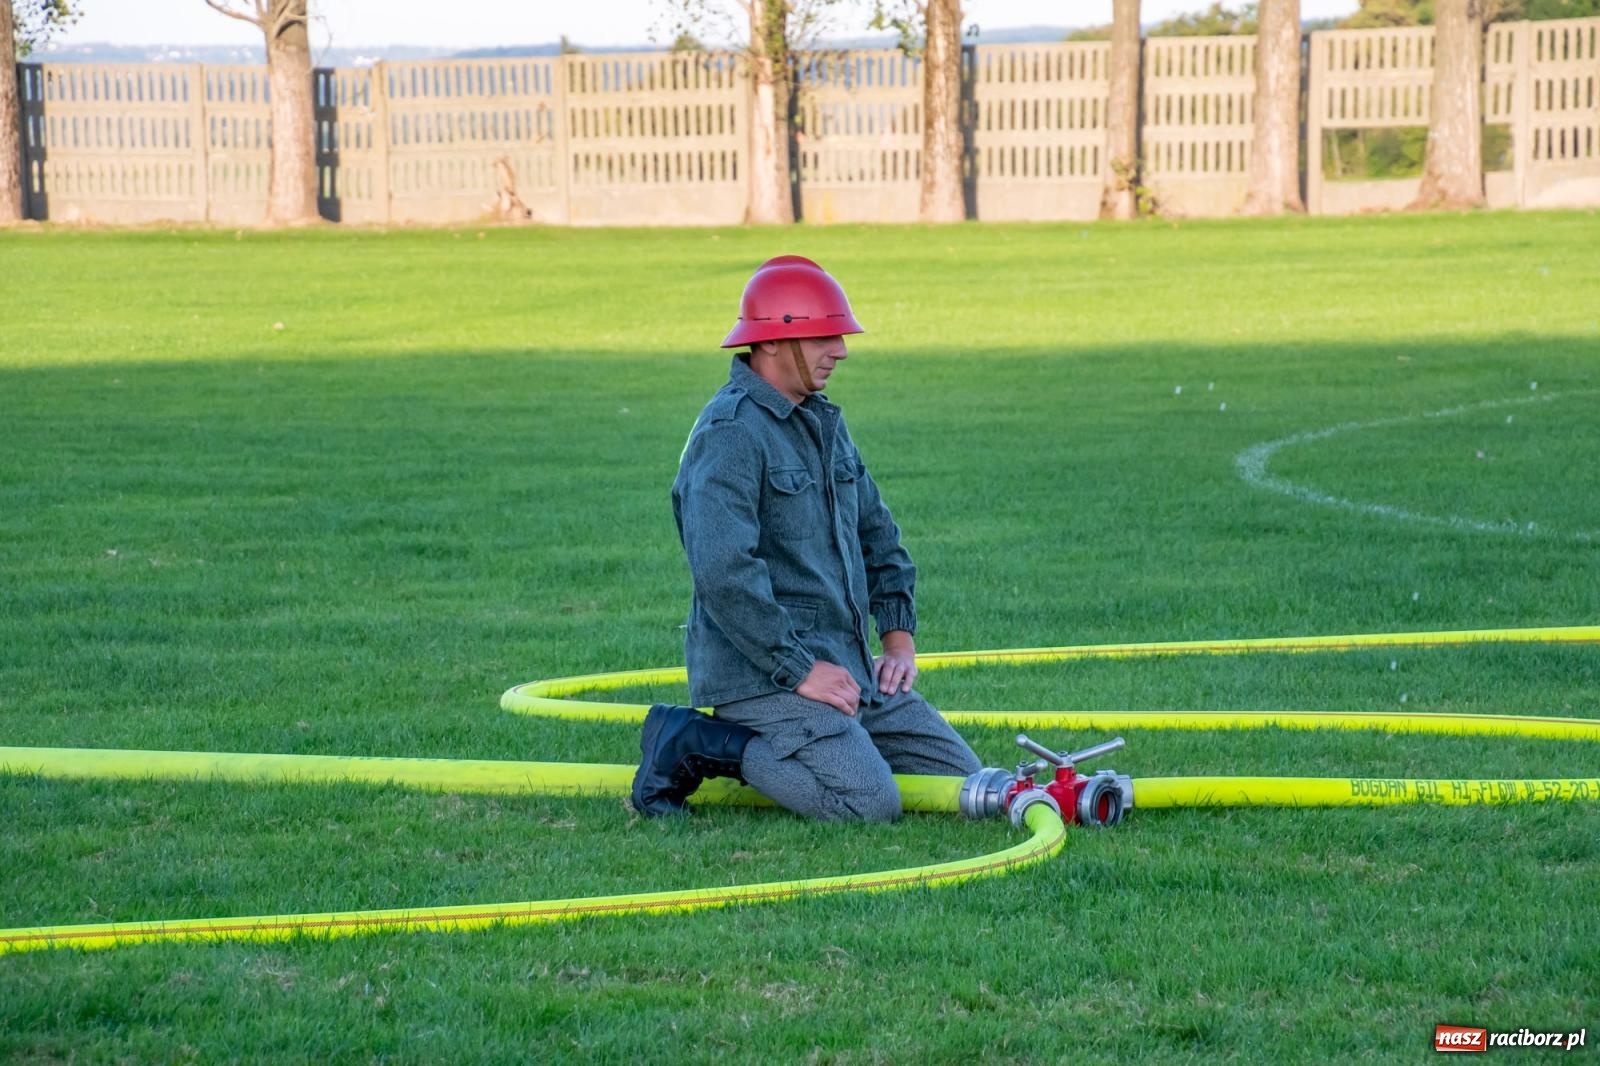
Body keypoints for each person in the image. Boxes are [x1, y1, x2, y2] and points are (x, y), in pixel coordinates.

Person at [630, 255, 982, 821]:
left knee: (967, 784)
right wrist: (799, 670)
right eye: (824, 335)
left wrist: (896, 638)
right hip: (763, 677)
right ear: (770, 343)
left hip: (844, 669)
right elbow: (724, 574)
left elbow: (878, 533)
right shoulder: (731, 434)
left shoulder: (822, 422)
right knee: (868, 803)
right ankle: (694, 741)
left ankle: (833, 740)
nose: (840, 349)